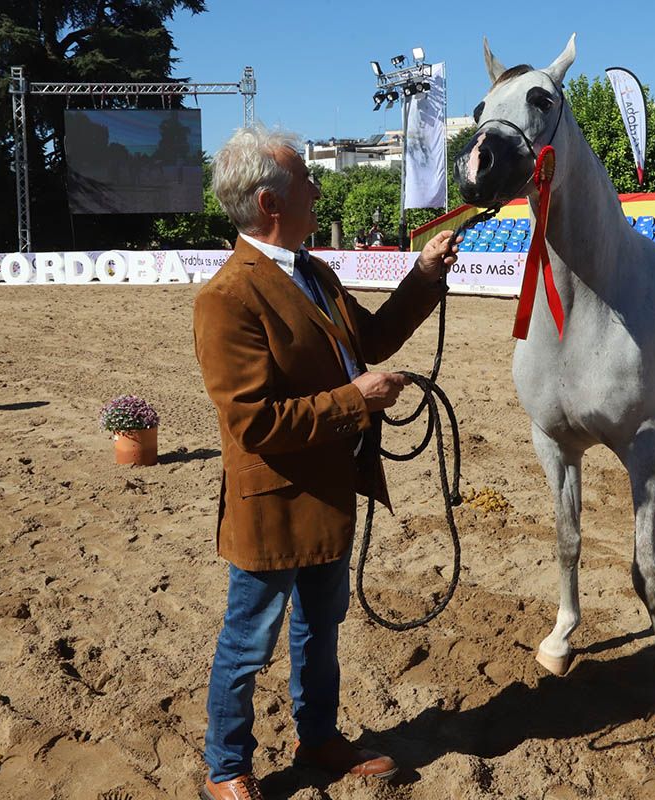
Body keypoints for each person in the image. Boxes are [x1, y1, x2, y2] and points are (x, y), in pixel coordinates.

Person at [193, 126, 458, 800]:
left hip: (329, 492)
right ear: (269, 202)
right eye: (306, 180)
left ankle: (317, 738)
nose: (319, 189)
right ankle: (227, 766)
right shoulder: (226, 299)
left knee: (320, 629)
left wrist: (424, 272)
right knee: (248, 643)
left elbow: (369, 338)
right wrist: (355, 399)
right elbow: (253, 423)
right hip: (274, 501)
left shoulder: (312, 271)